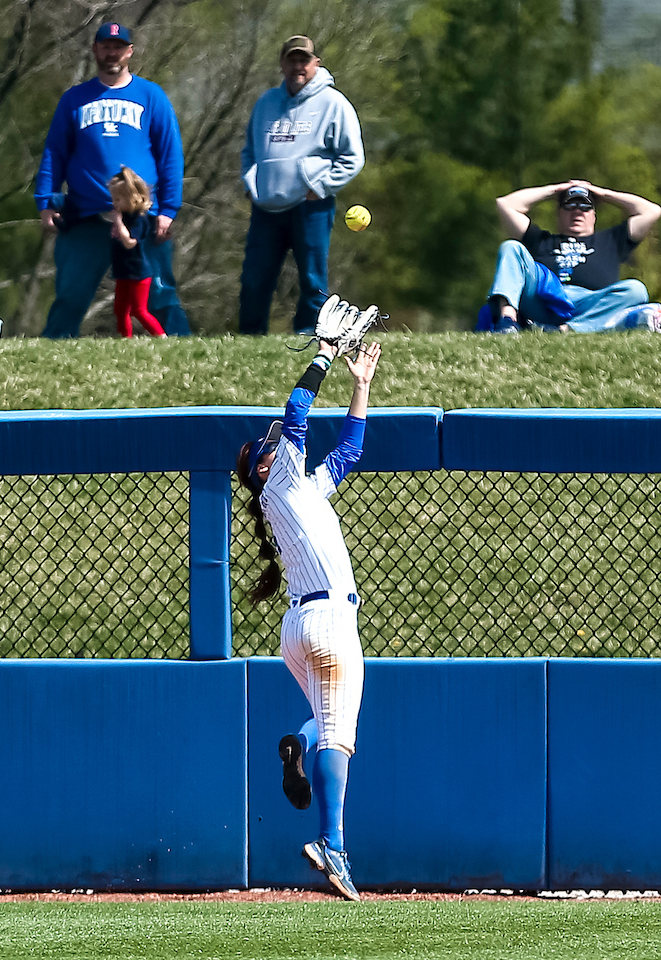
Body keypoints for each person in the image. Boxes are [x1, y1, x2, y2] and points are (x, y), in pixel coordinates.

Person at [235, 331, 382, 902]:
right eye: (268, 448)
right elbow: (297, 408)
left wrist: (360, 386)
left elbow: (348, 452)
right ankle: (332, 844)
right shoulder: (284, 479)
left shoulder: (299, 489)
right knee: (340, 739)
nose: (280, 444)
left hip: (298, 629)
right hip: (329, 623)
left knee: (323, 725)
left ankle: (297, 745)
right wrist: (322, 352)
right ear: (266, 468)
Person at [34, 22, 188, 339]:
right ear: (95, 49)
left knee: (158, 294)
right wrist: (46, 201)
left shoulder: (151, 96)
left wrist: (168, 210)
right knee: (70, 294)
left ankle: (183, 351)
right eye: (105, 45)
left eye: (118, 46)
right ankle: (51, 352)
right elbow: (55, 152)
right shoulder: (75, 99)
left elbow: (170, 154)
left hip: (141, 216)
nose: (112, 52)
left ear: (129, 51)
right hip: (87, 214)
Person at [239, 36, 364, 335]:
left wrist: (320, 187)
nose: (298, 66)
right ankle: (249, 337)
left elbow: (353, 157)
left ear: (316, 63)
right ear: (282, 64)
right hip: (266, 206)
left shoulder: (334, 103)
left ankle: (309, 335)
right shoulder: (266, 102)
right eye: (292, 60)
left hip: (310, 207)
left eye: (304, 60)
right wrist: (250, 183)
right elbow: (249, 151)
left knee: (311, 279)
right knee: (255, 279)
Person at [484, 180, 661, 333]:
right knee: (511, 247)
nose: (577, 211)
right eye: (570, 205)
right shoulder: (541, 240)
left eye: (585, 206)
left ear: (594, 215)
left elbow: (651, 211)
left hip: (591, 303)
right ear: (559, 213)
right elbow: (505, 204)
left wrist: (604, 194)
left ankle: (566, 329)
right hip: (545, 298)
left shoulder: (612, 239)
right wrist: (555, 190)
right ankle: (508, 322)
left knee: (636, 290)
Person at [103, 167, 166, 338]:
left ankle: (161, 336)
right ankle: (126, 339)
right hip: (123, 272)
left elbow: (130, 242)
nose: (114, 203)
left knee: (139, 310)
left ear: (132, 198)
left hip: (138, 273)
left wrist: (118, 223)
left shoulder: (139, 219)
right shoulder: (123, 216)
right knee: (120, 309)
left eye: (117, 199)